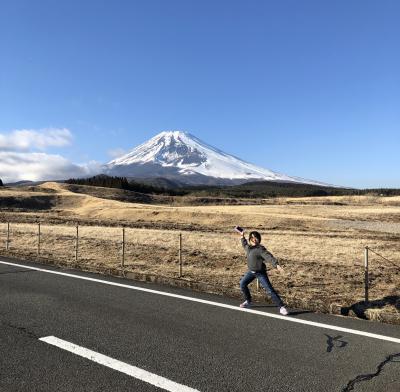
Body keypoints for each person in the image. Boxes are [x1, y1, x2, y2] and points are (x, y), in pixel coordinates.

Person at [237, 229, 289, 315]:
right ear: (250, 239)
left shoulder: (260, 249)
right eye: (252, 237)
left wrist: (277, 265)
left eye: (256, 238)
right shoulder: (249, 248)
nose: (254, 239)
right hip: (251, 272)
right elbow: (244, 244)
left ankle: (281, 307)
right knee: (242, 284)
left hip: (260, 273)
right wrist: (242, 236)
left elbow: (269, 257)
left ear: (259, 239)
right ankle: (248, 300)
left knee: (269, 290)